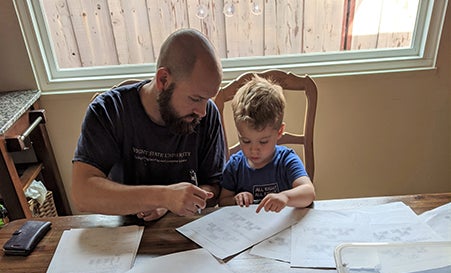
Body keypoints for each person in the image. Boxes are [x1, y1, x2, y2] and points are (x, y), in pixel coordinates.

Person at [72, 29, 225, 221]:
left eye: (208, 99)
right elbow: (83, 194)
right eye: (195, 98)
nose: (202, 112)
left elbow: (214, 186)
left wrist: (169, 206)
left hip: (183, 227)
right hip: (123, 231)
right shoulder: (110, 110)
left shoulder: (207, 114)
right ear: (163, 80)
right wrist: (162, 197)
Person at [219, 75, 315, 212]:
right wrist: (236, 199)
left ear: (279, 132)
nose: (253, 150)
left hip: (283, 228)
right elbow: (223, 201)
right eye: (245, 141)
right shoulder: (235, 166)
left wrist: (285, 197)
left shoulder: (286, 160)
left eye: (263, 142)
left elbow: (308, 192)